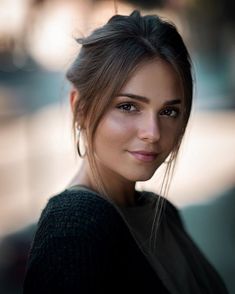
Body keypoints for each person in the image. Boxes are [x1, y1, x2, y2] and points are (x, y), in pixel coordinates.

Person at [23, 10, 228, 294]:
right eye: (128, 106)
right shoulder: (73, 226)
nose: (153, 132)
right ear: (80, 108)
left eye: (169, 111)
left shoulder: (161, 213)